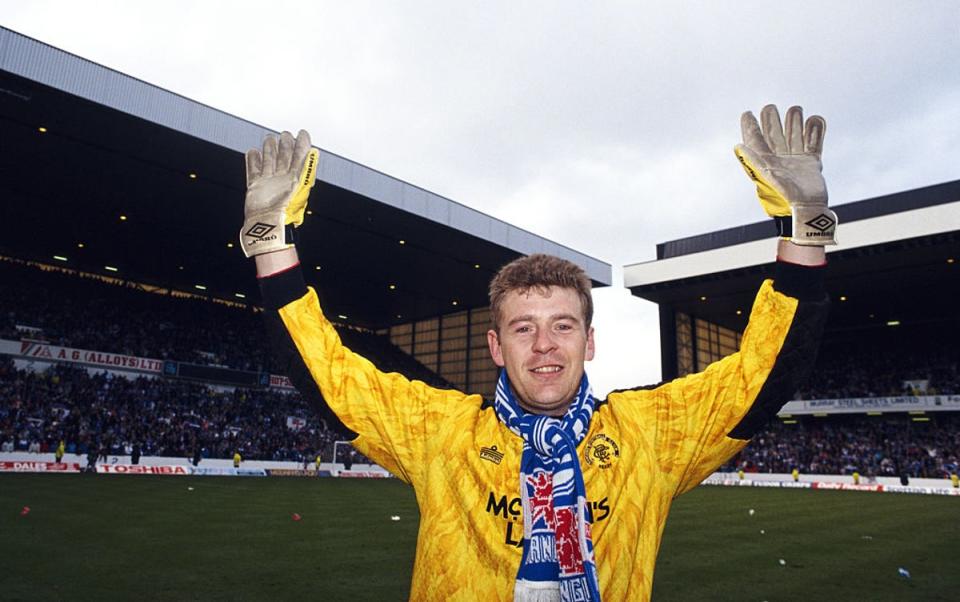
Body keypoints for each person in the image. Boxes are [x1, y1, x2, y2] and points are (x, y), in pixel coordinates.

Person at [241, 105, 833, 601]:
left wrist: (803, 229)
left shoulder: (647, 437)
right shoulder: (443, 436)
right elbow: (330, 376)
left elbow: (762, 375)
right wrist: (271, 242)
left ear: (591, 341)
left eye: (563, 326)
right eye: (523, 329)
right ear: (496, 346)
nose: (545, 345)